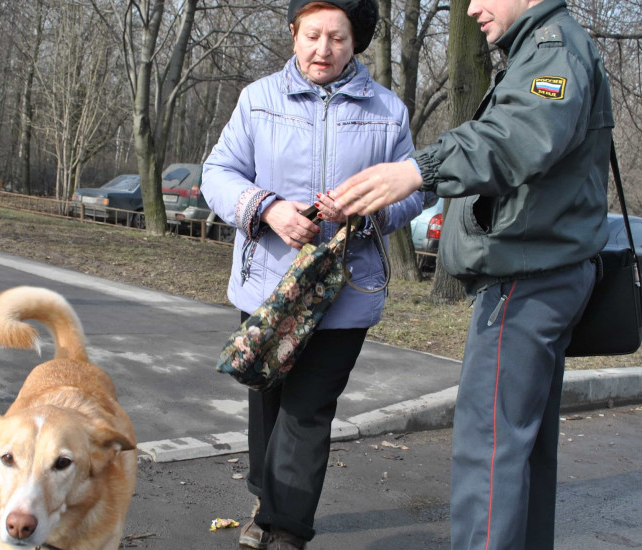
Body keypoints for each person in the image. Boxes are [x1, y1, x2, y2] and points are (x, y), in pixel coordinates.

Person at [330, 0, 614, 548]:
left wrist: (419, 168)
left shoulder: (552, 50)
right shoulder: (545, 47)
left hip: (528, 281)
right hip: (541, 274)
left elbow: (514, 138)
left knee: (490, 448)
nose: (473, 10)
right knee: (520, 451)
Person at [201, 1, 425, 548]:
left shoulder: (388, 112)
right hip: (268, 287)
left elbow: (418, 189)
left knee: (308, 410)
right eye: (313, 36)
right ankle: (266, 499)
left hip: (344, 292)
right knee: (268, 402)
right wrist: (268, 209)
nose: (323, 50)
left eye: (338, 39)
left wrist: (369, 209)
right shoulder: (258, 100)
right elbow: (217, 173)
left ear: (356, 43)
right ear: (294, 34)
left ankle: (286, 530)